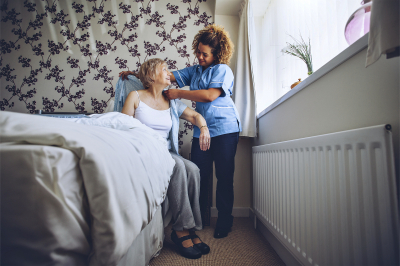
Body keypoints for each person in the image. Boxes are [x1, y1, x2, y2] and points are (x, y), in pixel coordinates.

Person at [119, 58, 211, 259]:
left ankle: (192, 228)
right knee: (177, 166)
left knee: (193, 169)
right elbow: (123, 129)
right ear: (152, 75)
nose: (170, 73)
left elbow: (195, 116)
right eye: (165, 69)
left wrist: (203, 127)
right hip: (144, 153)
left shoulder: (172, 102)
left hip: (166, 153)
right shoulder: (135, 97)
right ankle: (180, 230)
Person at [165, 24, 242, 239]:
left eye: (204, 54)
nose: (199, 56)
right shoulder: (195, 71)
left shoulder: (223, 70)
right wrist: (138, 73)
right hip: (202, 131)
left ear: (217, 54)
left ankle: (225, 222)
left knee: (224, 176)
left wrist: (178, 93)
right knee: (199, 175)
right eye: (198, 51)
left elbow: (209, 96)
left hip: (225, 129)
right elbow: (168, 76)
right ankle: (199, 219)